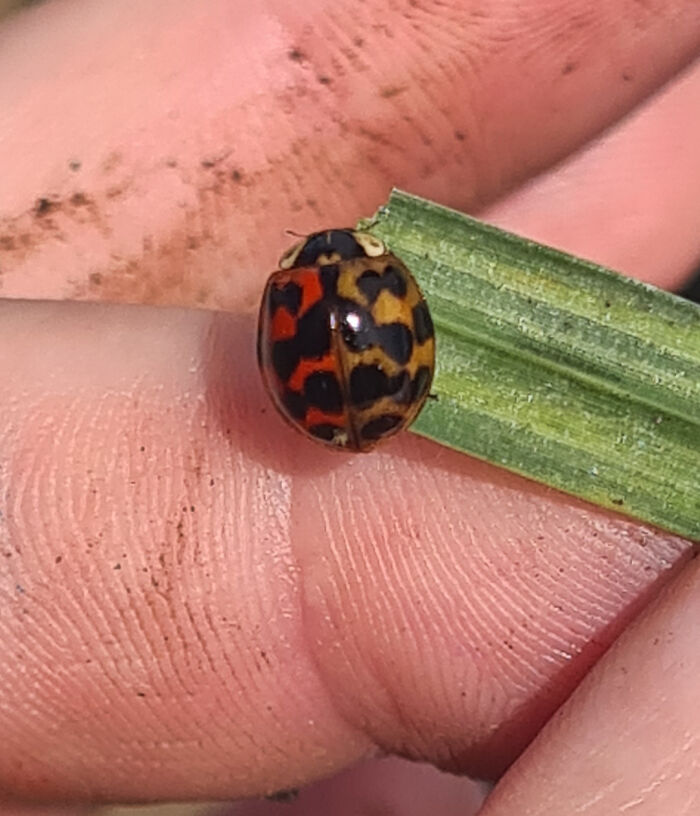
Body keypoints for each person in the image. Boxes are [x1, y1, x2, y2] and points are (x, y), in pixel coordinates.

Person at [0, 1, 698, 813]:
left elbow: (304, 344)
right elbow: (411, 324)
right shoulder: (360, 278)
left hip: (329, 418)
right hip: (355, 415)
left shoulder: (292, 289)